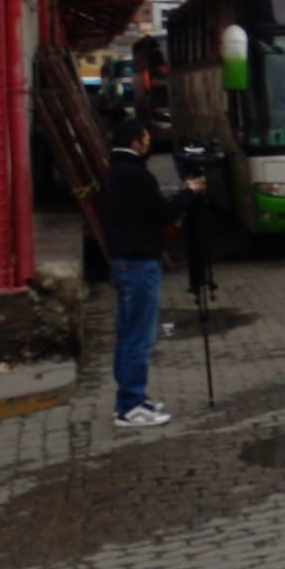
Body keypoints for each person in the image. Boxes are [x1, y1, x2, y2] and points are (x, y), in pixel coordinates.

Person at [101, 117, 203, 428]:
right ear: (136, 140)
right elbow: (162, 213)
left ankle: (131, 398)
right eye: (145, 137)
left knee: (128, 334)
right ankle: (131, 405)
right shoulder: (133, 174)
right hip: (138, 261)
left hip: (124, 260)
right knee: (138, 337)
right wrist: (189, 193)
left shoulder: (114, 171)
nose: (148, 143)